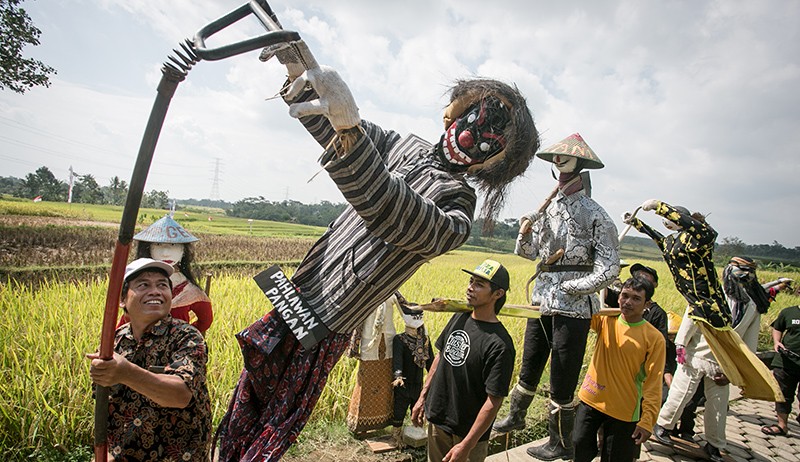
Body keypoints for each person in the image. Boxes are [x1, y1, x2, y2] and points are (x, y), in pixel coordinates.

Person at [215, 39, 539, 462]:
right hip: (297, 291)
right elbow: (341, 127)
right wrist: (302, 73)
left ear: (493, 161)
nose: (471, 136)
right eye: (476, 121)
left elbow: (391, 209)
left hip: (328, 317)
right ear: (460, 110)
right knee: (245, 402)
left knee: (276, 421)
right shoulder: (404, 145)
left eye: (488, 140)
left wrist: (349, 130)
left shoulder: (456, 208)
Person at [493, 133, 620, 462]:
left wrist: (572, 287)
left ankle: (560, 442)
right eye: (557, 170)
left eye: (566, 170)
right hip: (542, 300)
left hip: (574, 309)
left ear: (580, 172)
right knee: (530, 362)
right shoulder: (547, 211)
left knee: (562, 378)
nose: (560, 175)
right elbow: (530, 253)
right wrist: (523, 234)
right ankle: (516, 415)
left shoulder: (596, 214)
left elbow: (609, 270)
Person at [86, 258, 212, 461]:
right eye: (143, 285)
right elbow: (103, 405)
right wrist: (106, 452)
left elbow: (180, 395)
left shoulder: (186, 337)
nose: (155, 291)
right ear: (122, 300)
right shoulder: (114, 343)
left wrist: (126, 372)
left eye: (162, 285)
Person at [652, 256, 771, 462]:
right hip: (695, 354)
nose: (745, 275)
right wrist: (680, 346)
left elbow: (749, 345)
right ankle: (663, 425)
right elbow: (691, 318)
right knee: (681, 393)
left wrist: (739, 371)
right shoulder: (711, 295)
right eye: (741, 270)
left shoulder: (752, 307)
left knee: (718, 405)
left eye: (749, 271)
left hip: (723, 365)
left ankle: (715, 444)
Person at [411, 259, 516, 462]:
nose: (470, 288)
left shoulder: (500, 345)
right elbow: (440, 357)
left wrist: (467, 445)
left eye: (479, 284)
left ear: (498, 294)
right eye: (471, 281)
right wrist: (423, 397)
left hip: (467, 433)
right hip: (438, 420)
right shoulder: (459, 318)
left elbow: (493, 401)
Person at [573, 277, 665, 462]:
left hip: (624, 410)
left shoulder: (654, 338)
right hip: (591, 398)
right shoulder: (605, 320)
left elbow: (653, 383)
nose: (628, 302)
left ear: (647, 304)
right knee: (578, 446)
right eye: (625, 295)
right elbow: (579, 309)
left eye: (636, 298)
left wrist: (647, 421)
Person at [117, 214, 213, 335]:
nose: (165, 253)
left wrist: (185, 335)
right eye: (158, 245)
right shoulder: (132, 285)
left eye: (173, 245)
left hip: (174, 350)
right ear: (148, 248)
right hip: (136, 348)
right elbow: (124, 322)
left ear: (183, 251)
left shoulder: (192, 292)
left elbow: (205, 321)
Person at [346, 294, 399, 434]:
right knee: (365, 384)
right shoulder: (366, 293)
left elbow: (408, 310)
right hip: (368, 345)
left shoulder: (393, 292)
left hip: (388, 344)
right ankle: (360, 425)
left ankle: (380, 423)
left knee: (385, 386)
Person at [391, 295, 434, 446]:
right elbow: (397, 360)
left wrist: (435, 377)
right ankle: (396, 436)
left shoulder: (425, 340)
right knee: (399, 410)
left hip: (418, 384)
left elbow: (431, 362)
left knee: (418, 410)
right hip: (404, 384)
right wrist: (398, 376)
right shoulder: (400, 340)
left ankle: (417, 437)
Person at [763, 303, 800, 437]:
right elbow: (777, 327)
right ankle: (782, 425)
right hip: (786, 361)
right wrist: (777, 342)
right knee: (783, 394)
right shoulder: (789, 312)